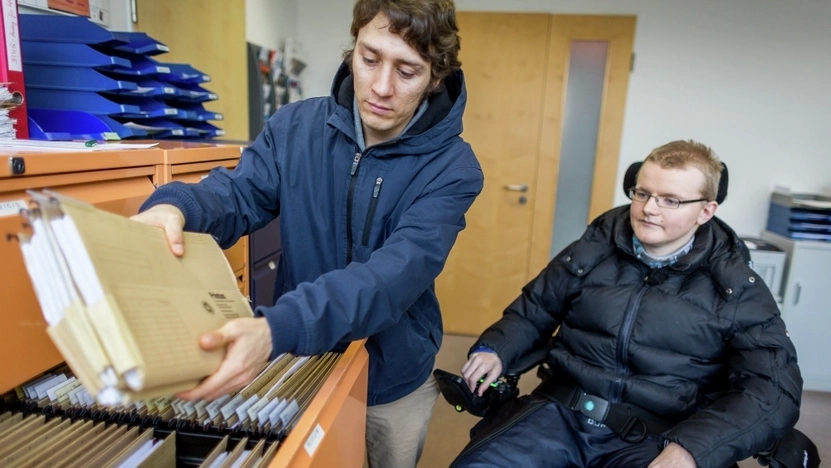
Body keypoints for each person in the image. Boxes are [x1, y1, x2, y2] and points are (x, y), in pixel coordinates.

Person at [132, 1, 483, 466]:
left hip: (393, 380)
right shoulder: (293, 127)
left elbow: (392, 276)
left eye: (407, 71)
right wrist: (178, 206)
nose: (381, 87)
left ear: (435, 77)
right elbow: (237, 194)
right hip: (301, 362)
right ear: (353, 48)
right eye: (370, 58)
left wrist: (278, 327)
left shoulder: (453, 168)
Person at [456, 140, 801, 468]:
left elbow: (772, 390)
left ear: (705, 211)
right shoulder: (591, 250)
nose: (649, 209)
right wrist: (495, 349)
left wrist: (695, 448)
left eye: (670, 200)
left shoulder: (736, 287)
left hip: (657, 435)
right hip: (560, 413)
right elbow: (534, 311)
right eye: (643, 193)